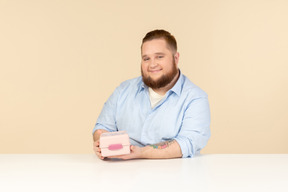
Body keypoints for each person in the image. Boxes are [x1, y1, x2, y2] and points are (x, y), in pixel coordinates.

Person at [93, 29, 210, 160]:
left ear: (175, 58)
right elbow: (102, 128)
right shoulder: (123, 90)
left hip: (173, 177)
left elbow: (187, 143)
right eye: (146, 58)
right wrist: (101, 143)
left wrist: (140, 152)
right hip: (122, 175)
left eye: (159, 56)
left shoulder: (195, 98)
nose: (152, 64)